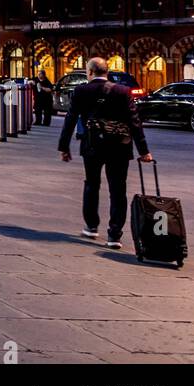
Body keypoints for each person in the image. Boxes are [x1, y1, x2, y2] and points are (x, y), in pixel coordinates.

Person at [58, 56, 153, 249]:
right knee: (118, 190)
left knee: (92, 184)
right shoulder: (123, 91)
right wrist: (144, 151)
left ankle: (92, 226)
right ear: (106, 72)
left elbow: (70, 119)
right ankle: (114, 235)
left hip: (92, 145)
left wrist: (64, 146)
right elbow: (135, 122)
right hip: (119, 146)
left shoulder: (81, 90)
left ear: (90, 72)